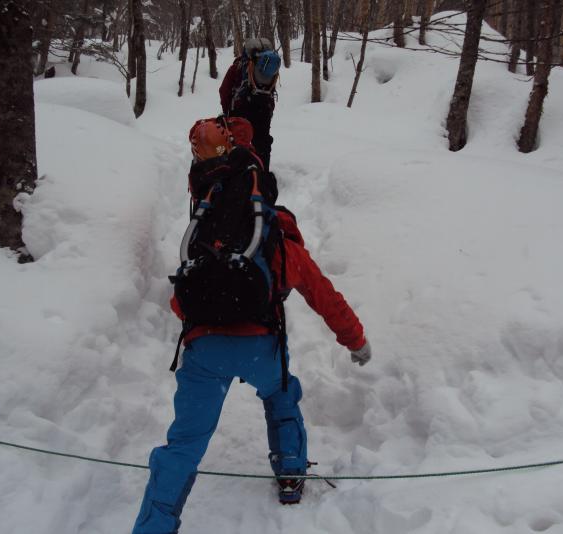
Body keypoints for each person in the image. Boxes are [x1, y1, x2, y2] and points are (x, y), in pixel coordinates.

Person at [132, 118, 371, 534]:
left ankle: (154, 525)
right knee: (281, 395)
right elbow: (324, 296)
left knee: (184, 444)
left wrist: (212, 318)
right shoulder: (277, 242)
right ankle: (291, 475)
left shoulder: (206, 232)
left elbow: (180, 301)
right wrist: (355, 341)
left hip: (204, 349)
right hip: (262, 348)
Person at [219, 37, 280, 171]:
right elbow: (271, 91)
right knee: (262, 143)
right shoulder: (267, 68)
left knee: (239, 142)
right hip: (263, 109)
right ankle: (262, 174)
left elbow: (224, 90)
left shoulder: (237, 67)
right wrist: (269, 112)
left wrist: (227, 111)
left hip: (241, 109)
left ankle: (239, 175)